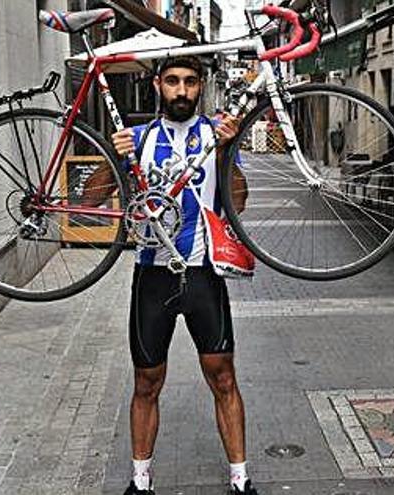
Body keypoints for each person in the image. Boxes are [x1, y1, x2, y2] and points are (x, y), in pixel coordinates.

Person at [102, 55, 256, 495]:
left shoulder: (216, 135)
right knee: (146, 381)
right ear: (158, 85)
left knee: (223, 376)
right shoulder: (138, 138)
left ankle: (240, 480)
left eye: (190, 82)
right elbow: (93, 196)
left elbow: (238, 203)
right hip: (153, 274)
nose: (182, 90)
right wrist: (113, 158)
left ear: (201, 86)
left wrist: (227, 152)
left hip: (204, 272)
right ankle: (140, 481)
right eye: (173, 81)